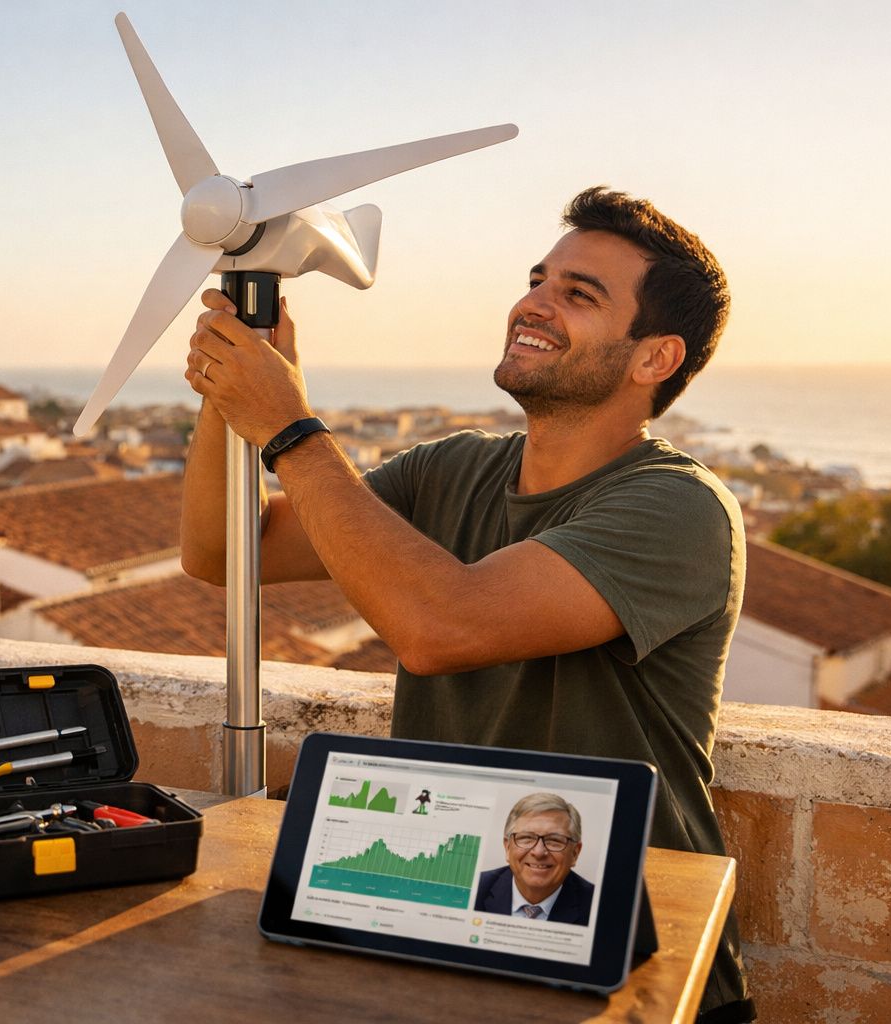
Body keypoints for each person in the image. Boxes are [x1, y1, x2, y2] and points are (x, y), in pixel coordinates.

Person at [179, 187, 753, 1023]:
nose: (533, 304)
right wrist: (230, 385)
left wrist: (290, 425)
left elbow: (443, 627)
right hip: (454, 937)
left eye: (578, 294)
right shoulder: (450, 469)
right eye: (538, 279)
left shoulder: (679, 507)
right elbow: (225, 552)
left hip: (637, 970)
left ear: (655, 358)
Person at [474, 793, 594, 926]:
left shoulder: (597, 907)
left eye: (554, 840)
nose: (538, 852)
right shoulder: (473, 891)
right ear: (508, 848)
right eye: (526, 838)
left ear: (575, 853)